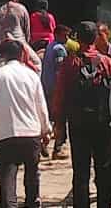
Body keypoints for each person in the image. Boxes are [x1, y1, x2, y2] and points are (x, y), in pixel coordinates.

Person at [52, 22, 111, 208]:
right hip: (103, 125)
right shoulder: (107, 63)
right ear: (95, 38)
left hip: (78, 125)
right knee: (105, 171)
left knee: (81, 173)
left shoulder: (70, 64)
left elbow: (59, 97)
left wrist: (59, 125)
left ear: (77, 39)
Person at [0, 40, 52, 208]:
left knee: (7, 177)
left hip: (7, 134)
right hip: (31, 133)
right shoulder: (32, 76)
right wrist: (46, 130)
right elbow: (41, 106)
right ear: (21, 55)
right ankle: (32, 203)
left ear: (4, 56)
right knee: (32, 175)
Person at [41, 23, 71, 158]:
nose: (67, 38)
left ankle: (43, 142)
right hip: (56, 89)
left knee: (50, 117)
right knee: (60, 119)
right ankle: (58, 148)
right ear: (57, 35)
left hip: (47, 86)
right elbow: (60, 71)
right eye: (65, 35)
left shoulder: (49, 46)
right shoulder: (59, 49)